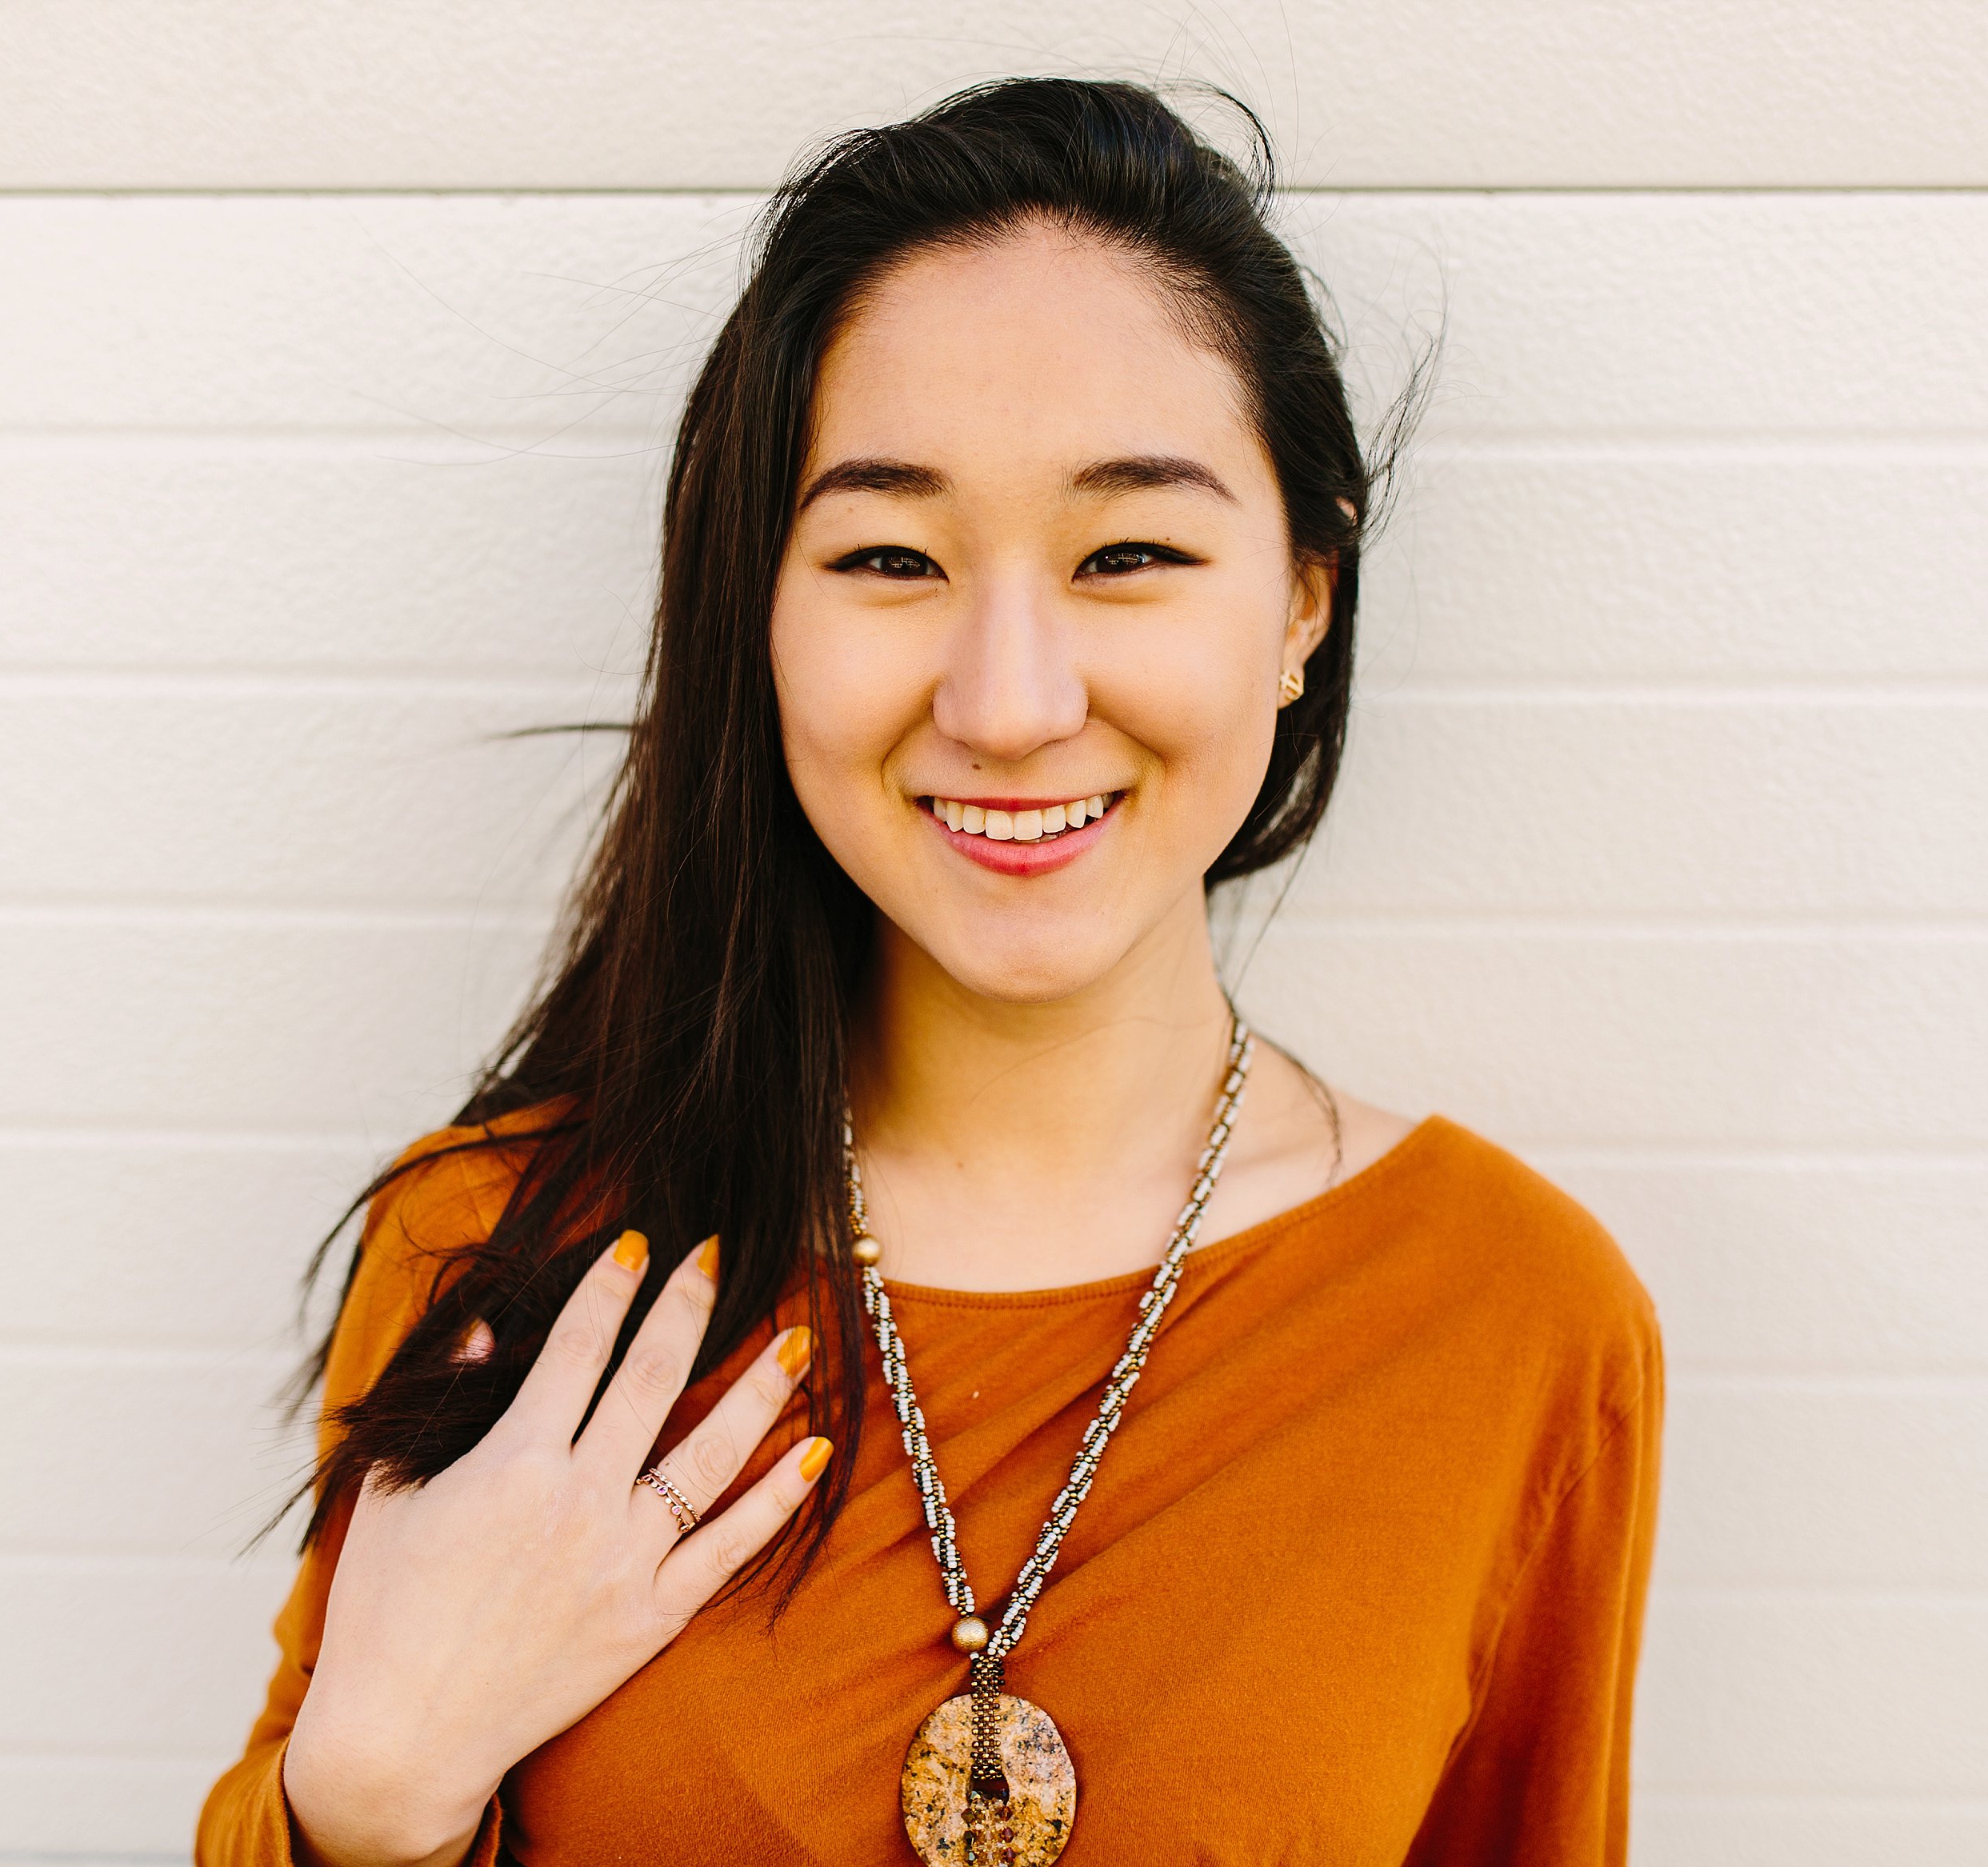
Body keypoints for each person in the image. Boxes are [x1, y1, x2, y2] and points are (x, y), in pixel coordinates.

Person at [197, 76, 1662, 1867]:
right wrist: (368, 1799)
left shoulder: (1509, 1318)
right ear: (762, 612)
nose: (1010, 703)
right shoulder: (504, 1255)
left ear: (1300, 600)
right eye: (890, 557)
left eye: (1129, 554)